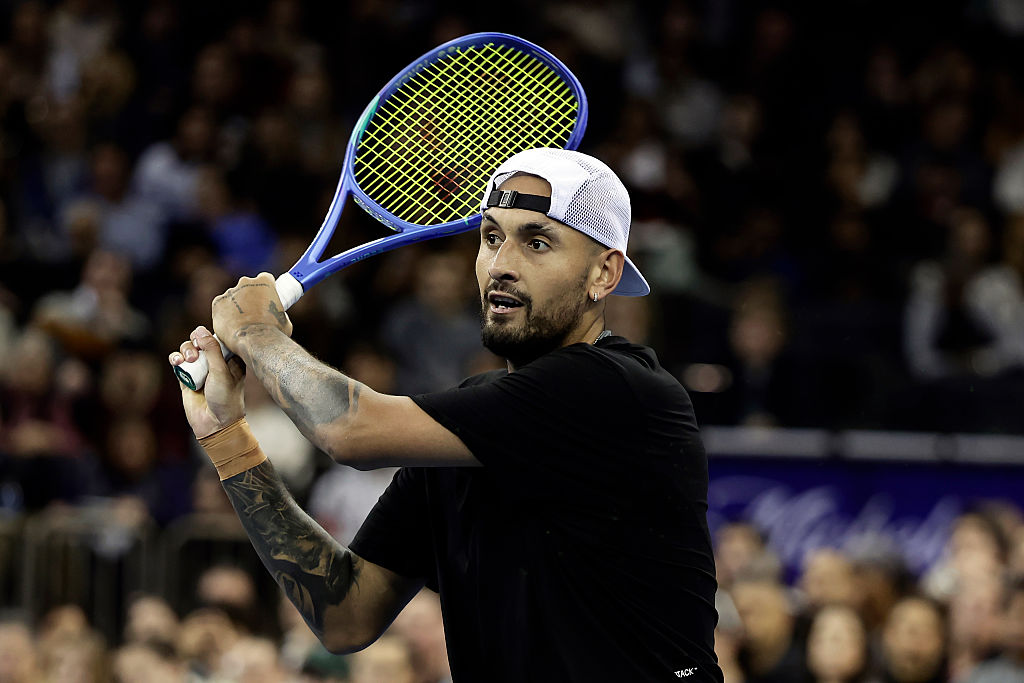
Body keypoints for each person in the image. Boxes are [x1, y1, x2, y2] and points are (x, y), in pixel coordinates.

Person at [169, 148, 722, 681]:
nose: (501, 265)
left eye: (537, 243)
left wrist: (257, 333)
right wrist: (226, 435)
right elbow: (344, 613)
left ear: (604, 274)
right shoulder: (466, 425)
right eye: (490, 237)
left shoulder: (618, 389)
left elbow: (351, 431)